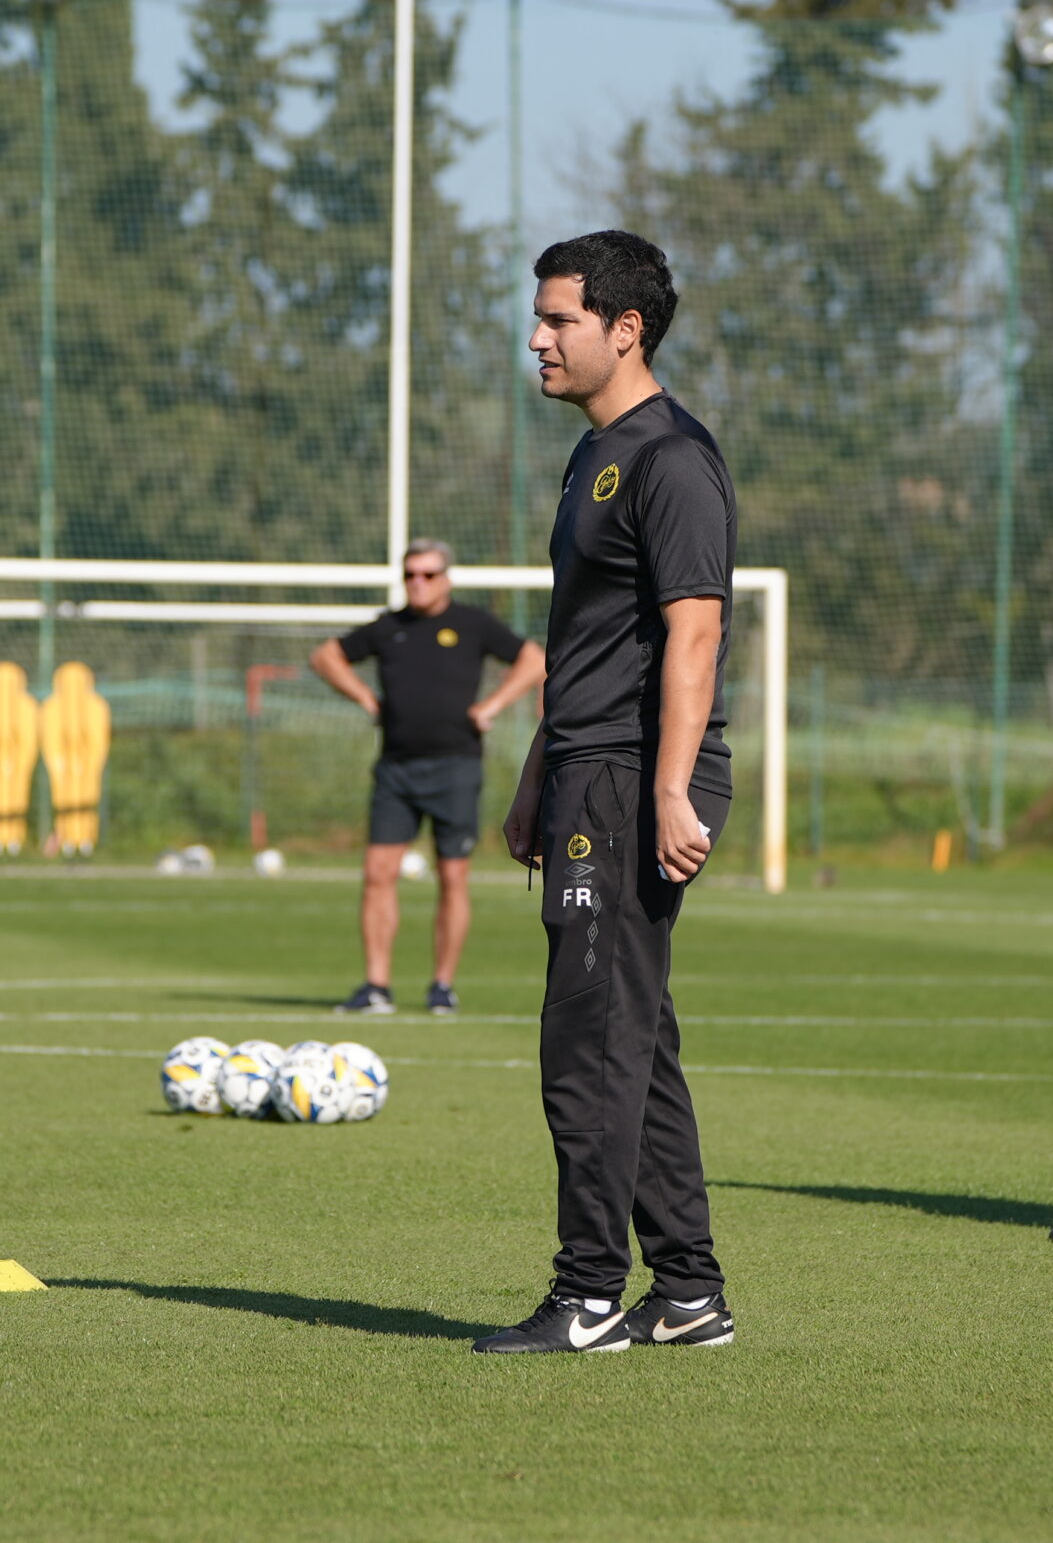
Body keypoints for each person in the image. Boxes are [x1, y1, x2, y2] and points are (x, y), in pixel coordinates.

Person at [472, 230, 738, 1355]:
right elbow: (586, 638)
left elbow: (695, 632)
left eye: (559, 320)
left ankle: (586, 1293)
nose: (537, 336)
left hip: (636, 781)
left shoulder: (670, 458)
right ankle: (684, 1292)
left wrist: (669, 790)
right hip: (590, 772)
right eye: (539, 317)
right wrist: (542, 770)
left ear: (623, 331)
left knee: (587, 1042)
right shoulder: (595, 456)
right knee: (635, 1038)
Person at [309, 540, 545, 1017]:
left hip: (455, 767)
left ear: (447, 578)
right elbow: (325, 657)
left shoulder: (473, 624)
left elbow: (535, 660)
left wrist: (492, 706)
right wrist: (365, 699)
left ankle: (442, 986)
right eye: (410, 574)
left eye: (428, 575)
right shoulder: (388, 627)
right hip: (396, 768)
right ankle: (376, 986)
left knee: (452, 877)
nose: (418, 582)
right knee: (378, 874)